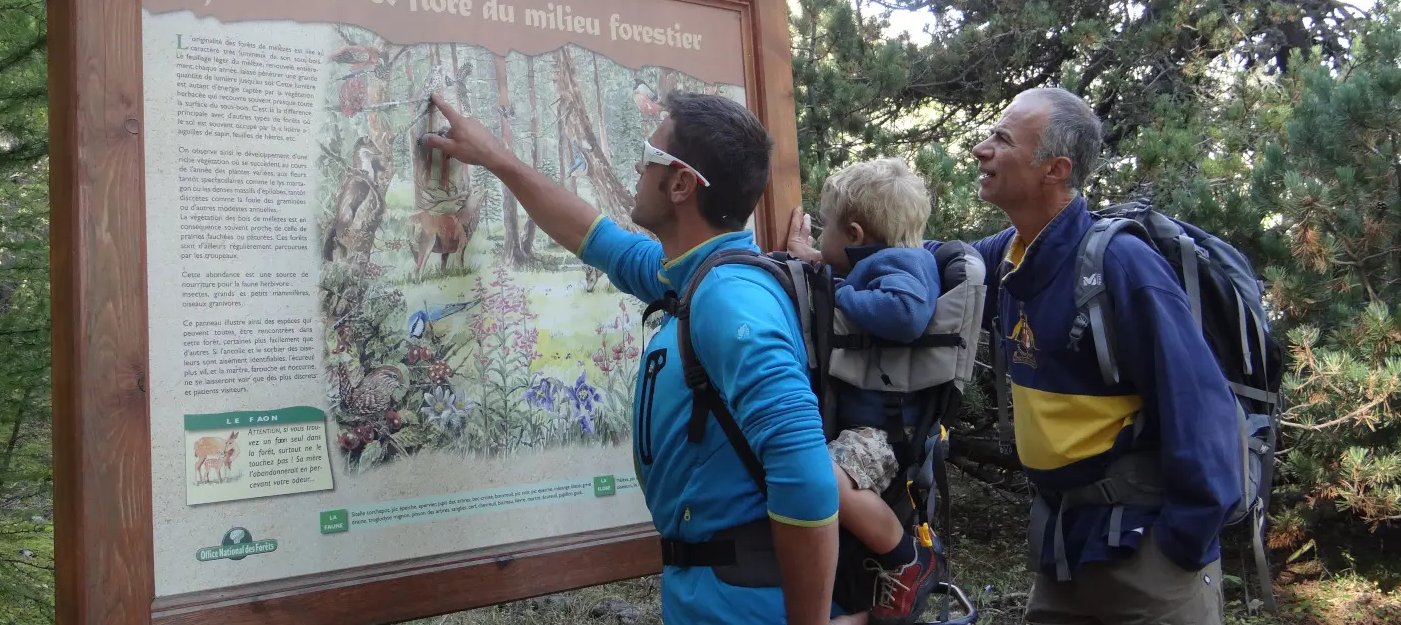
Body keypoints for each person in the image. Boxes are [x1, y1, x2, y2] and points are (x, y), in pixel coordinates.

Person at [422, 91, 857, 625]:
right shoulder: (693, 275)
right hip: (709, 591)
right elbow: (594, 236)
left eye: (648, 155)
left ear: (680, 183)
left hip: (745, 602)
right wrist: (499, 159)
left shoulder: (729, 299)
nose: (635, 165)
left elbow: (806, 475)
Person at [956, 88, 1241, 625]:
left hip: (1147, 560)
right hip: (1065, 549)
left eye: (1002, 139)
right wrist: (834, 258)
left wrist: (1180, 543)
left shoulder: (1122, 266)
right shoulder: (1011, 255)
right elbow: (934, 267)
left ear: (1054, 170)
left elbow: (1201, 407)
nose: (981, 149)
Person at [786, 158, 946, 625]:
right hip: (868, 424)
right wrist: (808, 258)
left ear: (855, 235)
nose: (821, 242)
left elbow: (905, 312)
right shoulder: (881, 259)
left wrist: (839, 297)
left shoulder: (904, 265)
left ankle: (909, 559)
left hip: (884, 430)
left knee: (825, 483)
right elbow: (836, 268)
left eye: (826, 232)